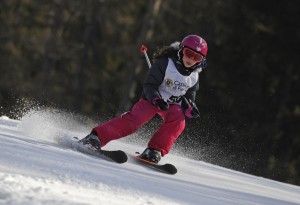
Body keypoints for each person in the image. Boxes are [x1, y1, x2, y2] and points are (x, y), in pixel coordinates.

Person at [79, 34, 208, 164]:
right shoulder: (165, 64)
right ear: (181, 49)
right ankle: (95, 137)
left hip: (172, 105)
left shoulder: (194, 77)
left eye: (197, 57)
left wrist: (189, 107)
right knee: (135, 120)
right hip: (152, 100)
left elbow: (190, 96)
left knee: (179, 121)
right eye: (188, 53)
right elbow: (149, 85)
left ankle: (154, 150)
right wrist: (156, 99)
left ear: (201, 60)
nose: (191, 59)